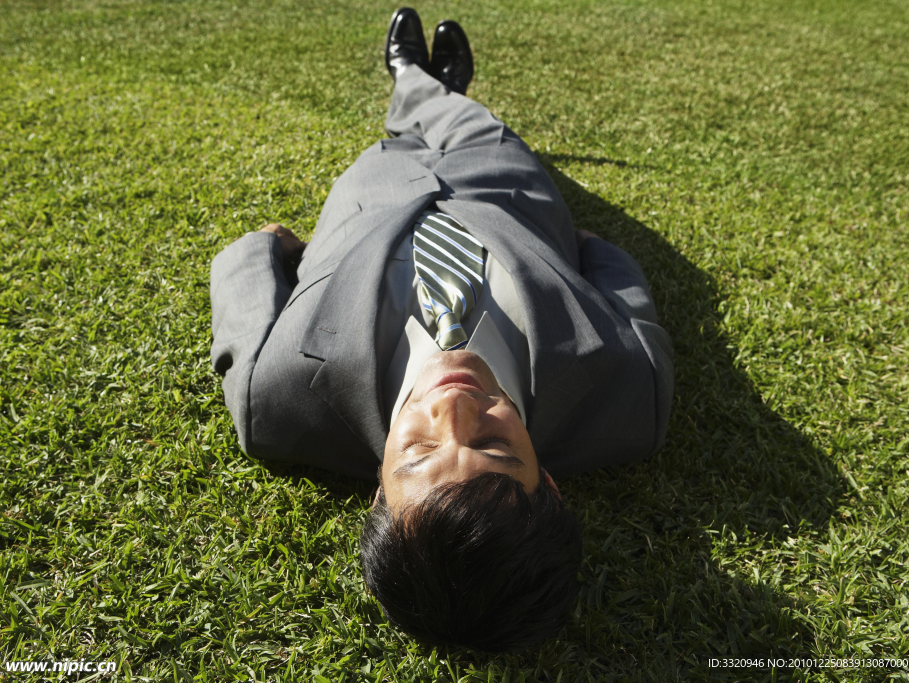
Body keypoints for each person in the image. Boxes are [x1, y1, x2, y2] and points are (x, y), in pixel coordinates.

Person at [209, 7, 674, 651]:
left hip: (377, 187)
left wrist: (263, 246)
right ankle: (433, 86)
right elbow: (632, 303)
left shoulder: (275, 404)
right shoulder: (633, 400)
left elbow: (239, 294)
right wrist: (596, 251)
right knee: (475, 125)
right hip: (504, 185)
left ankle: (415, 81)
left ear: (377, 493)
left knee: (406, 134)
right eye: (497, 445)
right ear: (553, 489)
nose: (453, 406)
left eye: (419, 453)